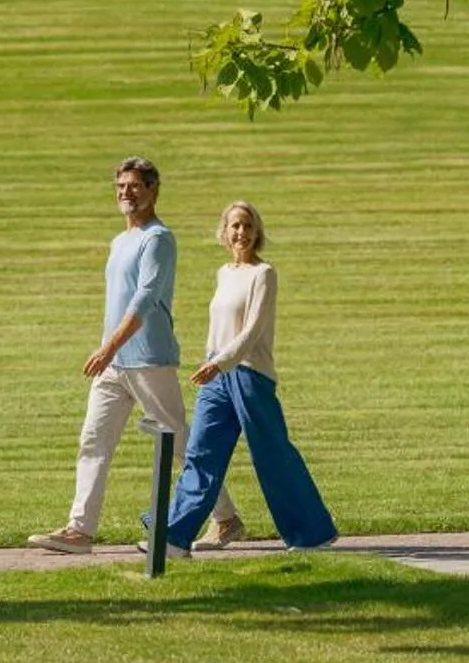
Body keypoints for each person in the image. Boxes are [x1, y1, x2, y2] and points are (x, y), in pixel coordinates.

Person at [28, 158, 245, 554]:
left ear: (153, 190)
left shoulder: (158, 238)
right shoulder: (120, 240)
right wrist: (110, 351)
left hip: (149, 359)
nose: (126, 193)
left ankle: (226, 519)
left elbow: (145, 299)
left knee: (179, 446)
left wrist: (109, 345)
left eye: (134, 186)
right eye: (120, 186)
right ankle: (80, 530)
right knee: (93, 440)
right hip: (114, 366)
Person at [146, 200, 337, 555]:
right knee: (201, 453)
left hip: (249, 376)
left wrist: (221, 362)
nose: (241, 233)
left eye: (248, 226)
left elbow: (251, 332)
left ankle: (312, 534)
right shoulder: (223, 273)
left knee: (273, 455)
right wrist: (212, 361)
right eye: (235, 226)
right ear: (224, 231)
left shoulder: (264, 274)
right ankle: (172, 536)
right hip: (215, 375)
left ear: (257, 232)